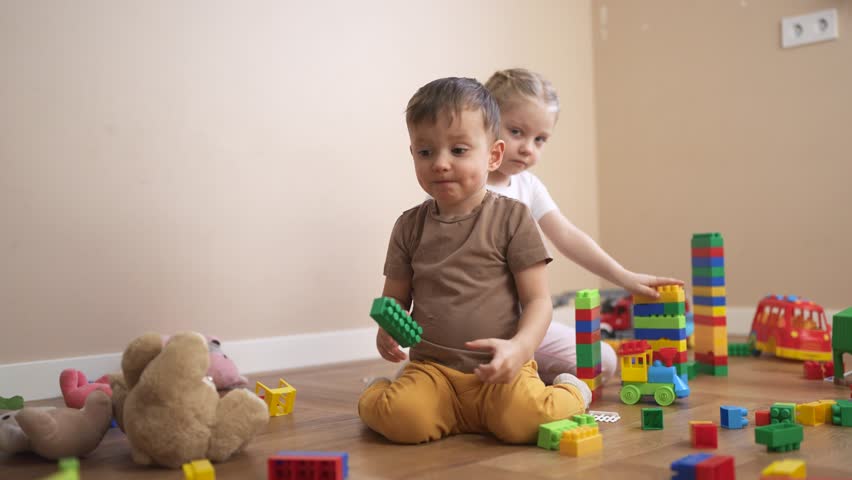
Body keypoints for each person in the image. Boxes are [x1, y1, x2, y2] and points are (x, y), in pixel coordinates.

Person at [358, 77, 590, 445]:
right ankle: (383, 391)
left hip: (500, 371)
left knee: (525, 421)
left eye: (459, 150)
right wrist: (387, 329)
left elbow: (538, 301)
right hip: (433, 370)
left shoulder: (512, 218)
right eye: (426, 152)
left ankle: (572, 390)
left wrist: (520, 349)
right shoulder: (408, 226)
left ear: (493, 155)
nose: (441, 164)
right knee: (402, 420)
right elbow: (394, 301)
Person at [484, 68, 683, 384]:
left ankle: (525, 373)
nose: (528, 148)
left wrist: (624, 276)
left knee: (602, 360)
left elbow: (567, 236)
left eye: (540, 139)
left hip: (526, 325)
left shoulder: (529, 186)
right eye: (516, 131)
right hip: (473, 326)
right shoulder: (464, 183)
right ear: (485, 122)